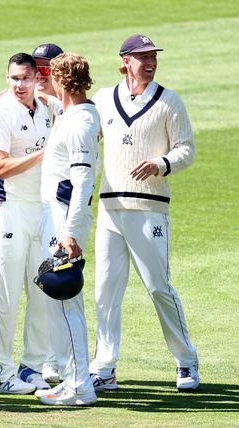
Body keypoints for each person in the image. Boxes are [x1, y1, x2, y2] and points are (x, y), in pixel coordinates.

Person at [89, 34, 199, 391]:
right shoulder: (104, 99)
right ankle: (104, 366)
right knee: (105, 290)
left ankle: (186, 362)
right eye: (141, 57)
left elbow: (186, 149)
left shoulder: (169, 102)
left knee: (158, 287)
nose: (149, 62)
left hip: (149, 209)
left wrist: (161, 162)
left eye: (153, 56)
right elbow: (84, 133)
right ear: (124, 61)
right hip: (110, 208)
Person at [0, 53, 53, 395]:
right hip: (7, 209)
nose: (19, 85)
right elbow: (2, 167)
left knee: (41, 289)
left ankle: (32, 367)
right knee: (6, 291)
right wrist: (44, 153)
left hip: (40, 208)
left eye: (24, 78)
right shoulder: (0, 112)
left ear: (36, 77)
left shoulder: (48, 108)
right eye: (13, 78)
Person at [35, 52, 100, 406]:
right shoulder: (74, 114)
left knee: (67, 298)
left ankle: (80, 386)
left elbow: (83, 180)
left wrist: (70, 231)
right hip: (59, 217)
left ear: (61, 80)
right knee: (60, 301)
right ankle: (71, 377)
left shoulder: (79, 124)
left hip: (65, 219)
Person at [31, 42, 65, 384]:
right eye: (35, 67)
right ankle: (42, 360)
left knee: (57, 281)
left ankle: (58, 361)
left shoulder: (71, 111)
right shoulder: (25, 105)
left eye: (46, 69)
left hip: (59, 208)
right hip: (28, 207)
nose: (40, 75)